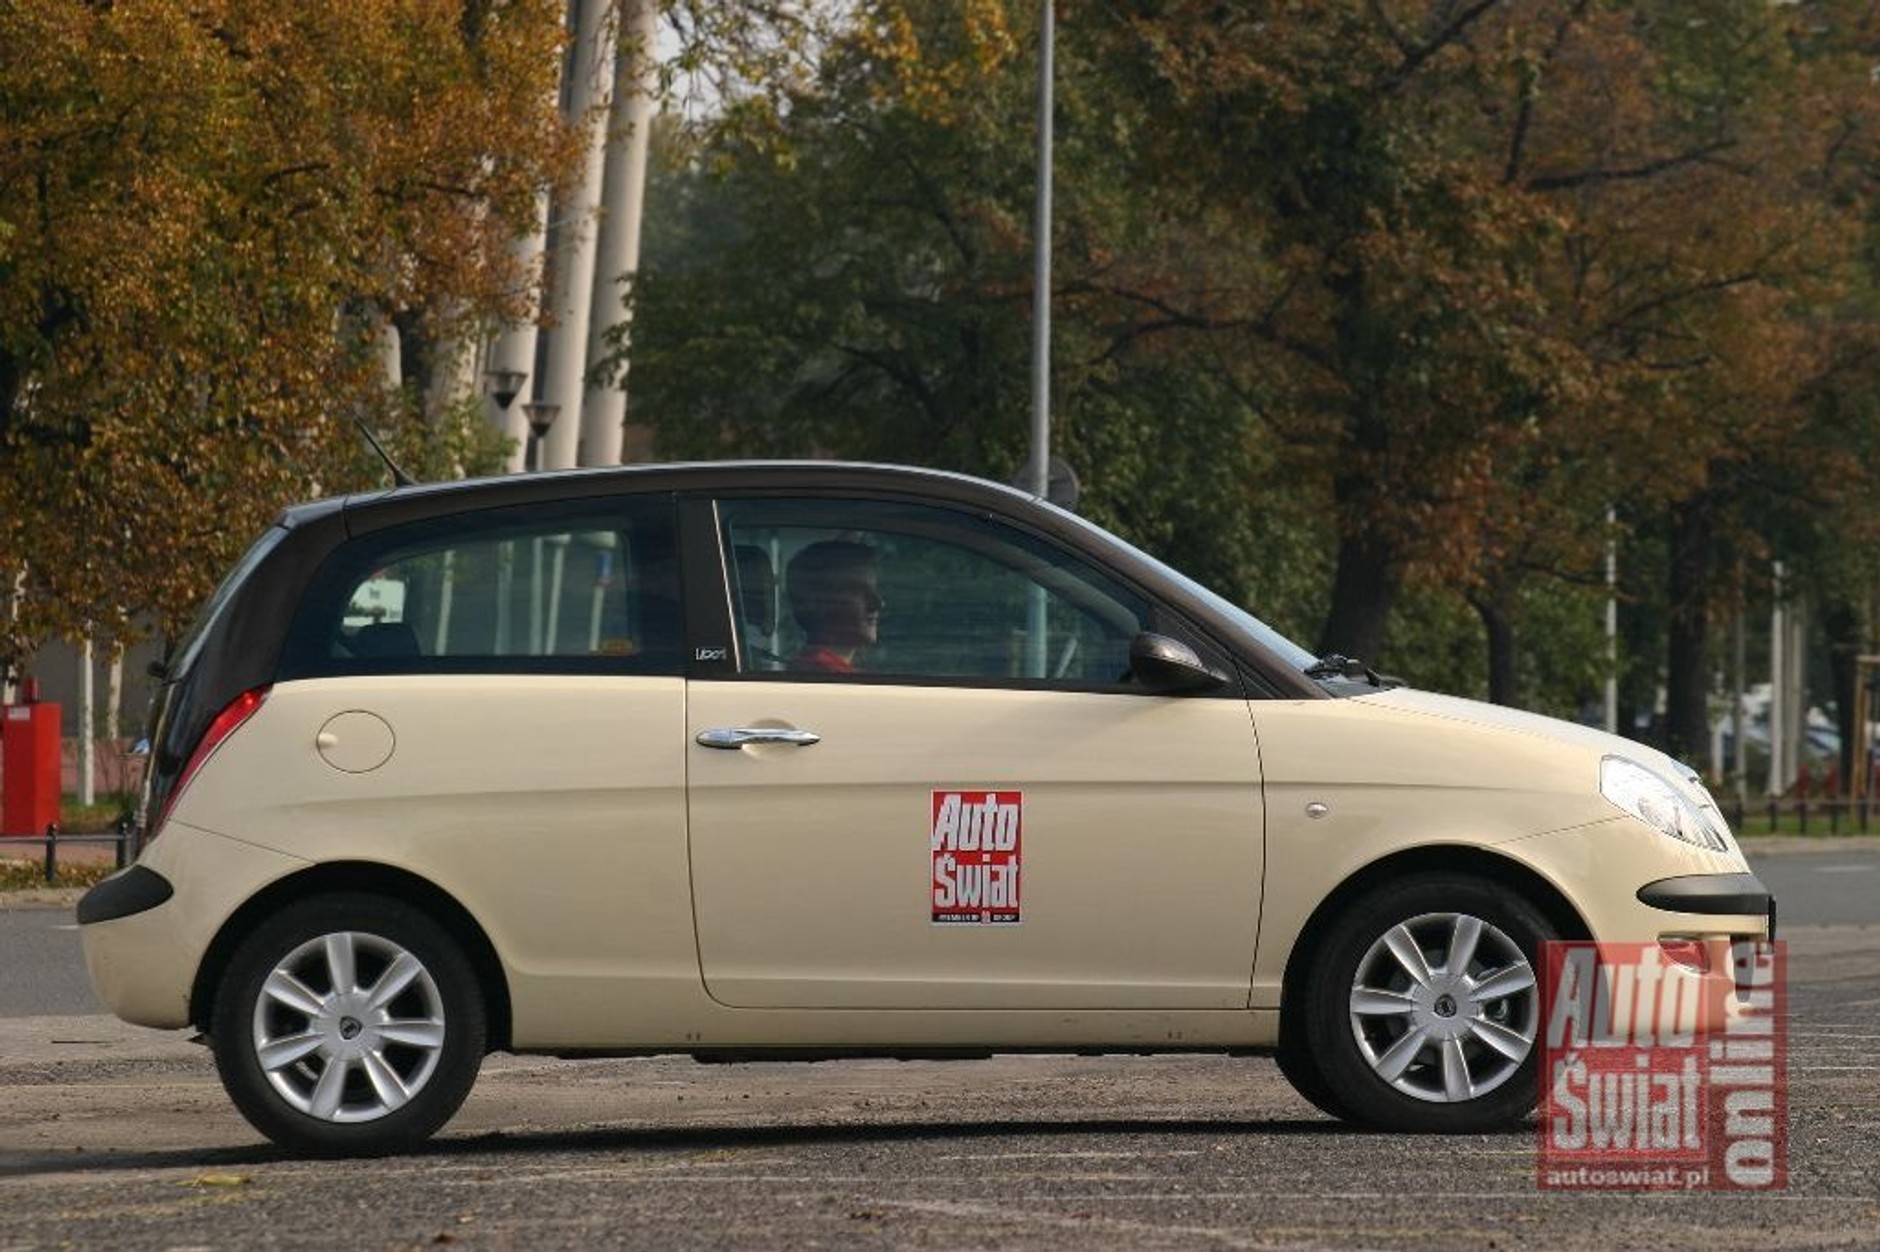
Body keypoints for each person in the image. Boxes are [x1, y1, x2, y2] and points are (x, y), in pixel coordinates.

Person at [785, 539, 883, 673]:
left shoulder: (821, 672)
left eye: (874, 589)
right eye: (857, 590)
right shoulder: (823, 677)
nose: (878, 603)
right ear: (817, 603)